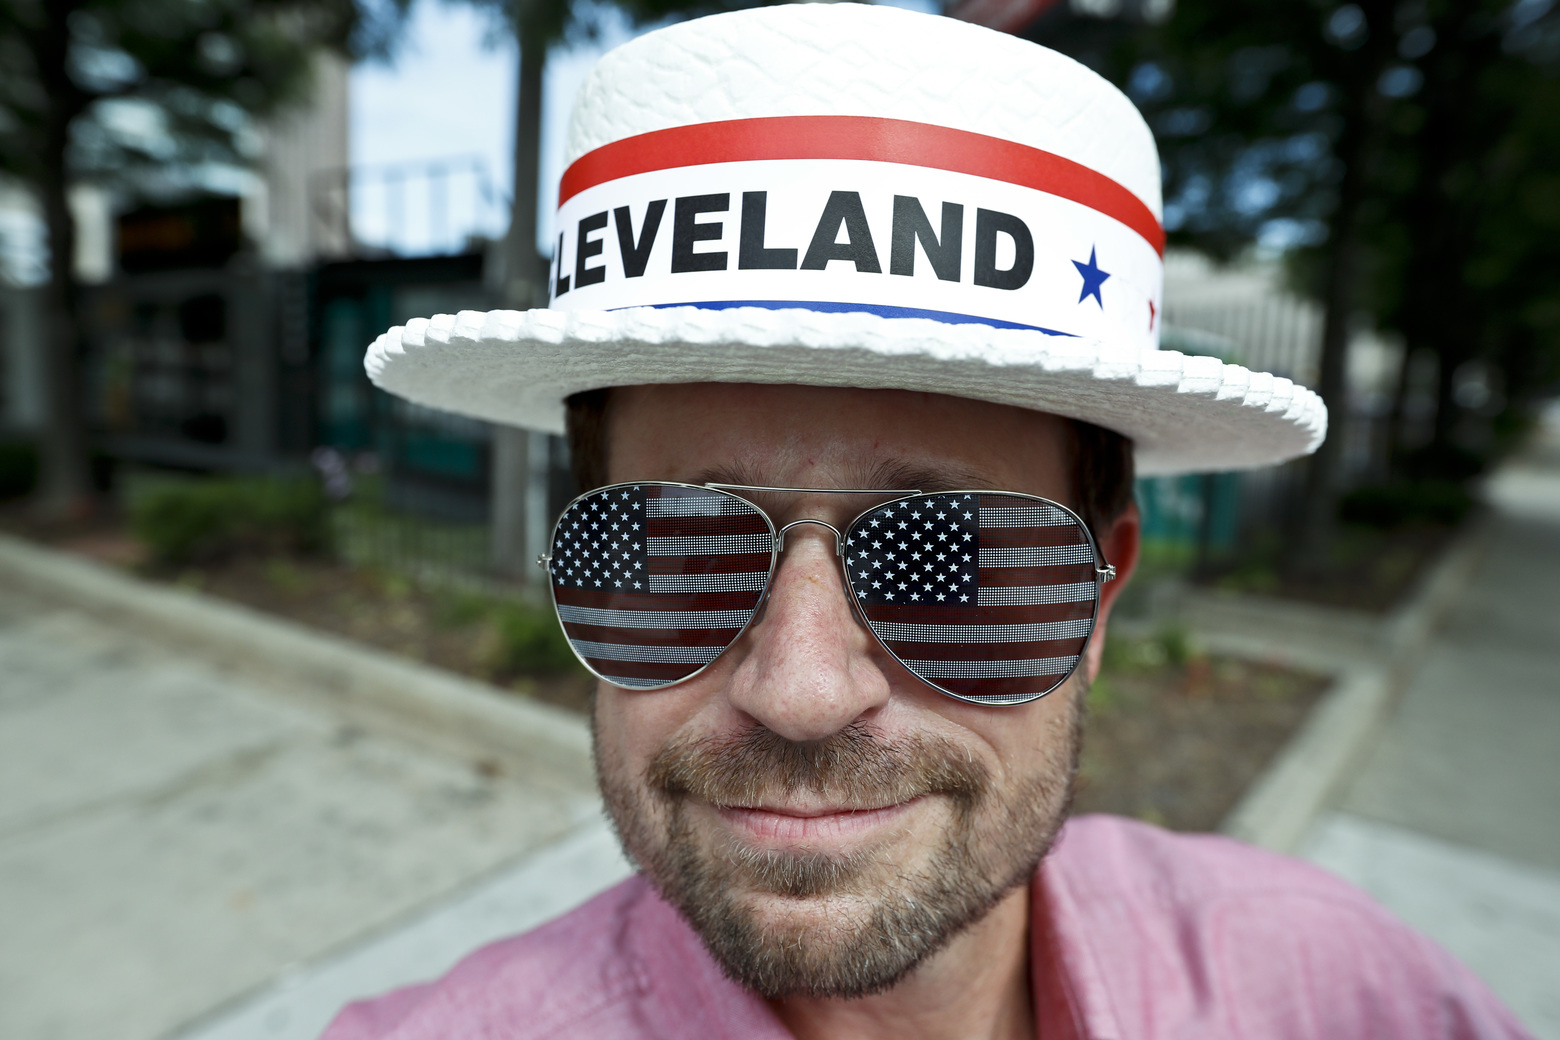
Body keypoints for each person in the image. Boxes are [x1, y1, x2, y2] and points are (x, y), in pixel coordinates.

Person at [323, 5, 1532, 1038]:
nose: (801, 690)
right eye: (676, 548)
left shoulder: (1340, 988)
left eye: (946, 560)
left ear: (1098, 598)